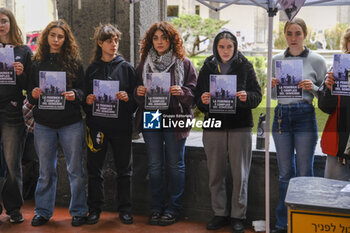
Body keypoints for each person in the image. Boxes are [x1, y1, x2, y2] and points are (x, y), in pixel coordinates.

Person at [195, 29, 262, 233]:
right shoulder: (207, 66)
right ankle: (220, 213)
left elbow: (257, 96)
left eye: (229, 47)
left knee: (240, 173)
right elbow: (197, 97)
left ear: (235, 47)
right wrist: (203, 100)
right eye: (221, 46)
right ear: (216, 47)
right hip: (214, 126)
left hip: (239, 125)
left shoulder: (245, 65)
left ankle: (237, 216)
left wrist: (245, 97)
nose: (225, 51)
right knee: (215, 172)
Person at [134, 21, 197, 226]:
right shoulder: (144, 63)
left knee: (175, 164)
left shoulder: (184, 63)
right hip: (151, 116)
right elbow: (135, 89)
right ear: (150, 41)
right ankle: (156, 207)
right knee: (154, 165)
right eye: (156, 38)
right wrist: (138, 91)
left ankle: (173, 208)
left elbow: (194, 93)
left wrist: (183, 92)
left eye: (164, 38)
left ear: (172, 40)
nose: (160, 42)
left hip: (175, 116)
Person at [27, 19, 88, 227]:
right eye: (52, 35)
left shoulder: (74, 62)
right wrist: (34, 94)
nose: (56, 39)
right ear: (46, 37)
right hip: (44, 124)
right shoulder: (36, 63)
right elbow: (30, 94)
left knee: (75, 170)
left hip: (70, 123)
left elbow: (84, 90)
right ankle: (43, 212)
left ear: (66, 39)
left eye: (60, 36)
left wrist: (75, 94)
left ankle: (79, 211)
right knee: (45, 171)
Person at [271, 18, 327, 233]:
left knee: (305, 171)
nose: (293, 38)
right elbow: (275, 96)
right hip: (281, 116)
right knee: (285, 173)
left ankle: (304, 222)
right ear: (285, 35)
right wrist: (274, 86)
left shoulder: (317, 60)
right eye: (289, 33)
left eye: (298, 33)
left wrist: (312, 86)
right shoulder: (277, 59)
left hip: (305, 114)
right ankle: (283, 222)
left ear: (305, 35)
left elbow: (325, 94)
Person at [84, 24, 137, 225]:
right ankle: (95, 209)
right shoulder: (91, 69)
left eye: (116, 41)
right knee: (94, 170)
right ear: (100, 43)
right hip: (96, 127)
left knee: (125, 170)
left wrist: (127, 98)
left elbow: (136, 101)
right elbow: (84, 98)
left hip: (121, 128)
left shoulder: (127, 68)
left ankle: (125, 209)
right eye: (109, 41)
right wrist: (87, 101)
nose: (113, 44)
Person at [0, 8, 32, 223]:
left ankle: (13, 208)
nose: (0, 25)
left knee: (13, 164)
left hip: (12, 111)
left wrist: (21, 74)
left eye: (3, 21)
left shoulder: (24, 51)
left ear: (11, 22)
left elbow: (30, 87)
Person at [318, 28, 350, 181]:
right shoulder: (337, 68)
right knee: (332, 195)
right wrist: (329, 89)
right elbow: (325, 106)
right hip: (339, 143)